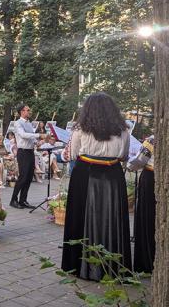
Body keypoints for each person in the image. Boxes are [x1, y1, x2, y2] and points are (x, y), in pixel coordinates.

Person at [61, 92, 131, 281]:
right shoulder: (123, 130)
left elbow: (73, 154)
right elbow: (124, 155)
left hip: (85, 173)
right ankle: (113, 266)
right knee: (112, 217)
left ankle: (78, 265)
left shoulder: (80, 129)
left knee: (80, 216)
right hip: (113, 175)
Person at [127, 135, 155, 274]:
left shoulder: (153, 139)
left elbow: (139, 160)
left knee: (147, 217)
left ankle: (147, 261)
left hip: (151, 179)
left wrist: (128, 165)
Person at [10, 105, 46, 209]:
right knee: (23, 177)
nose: (29, 112)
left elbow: (31, 138)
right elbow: (23, 135)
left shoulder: (29, 123)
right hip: (22, 152)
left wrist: (39, 142)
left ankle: (23, 200)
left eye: (29, 110)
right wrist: (39, 135)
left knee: (29, 177)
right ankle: (13, 200)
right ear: (21, 112)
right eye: (27, 110)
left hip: (30, 152)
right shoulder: (18, 123)